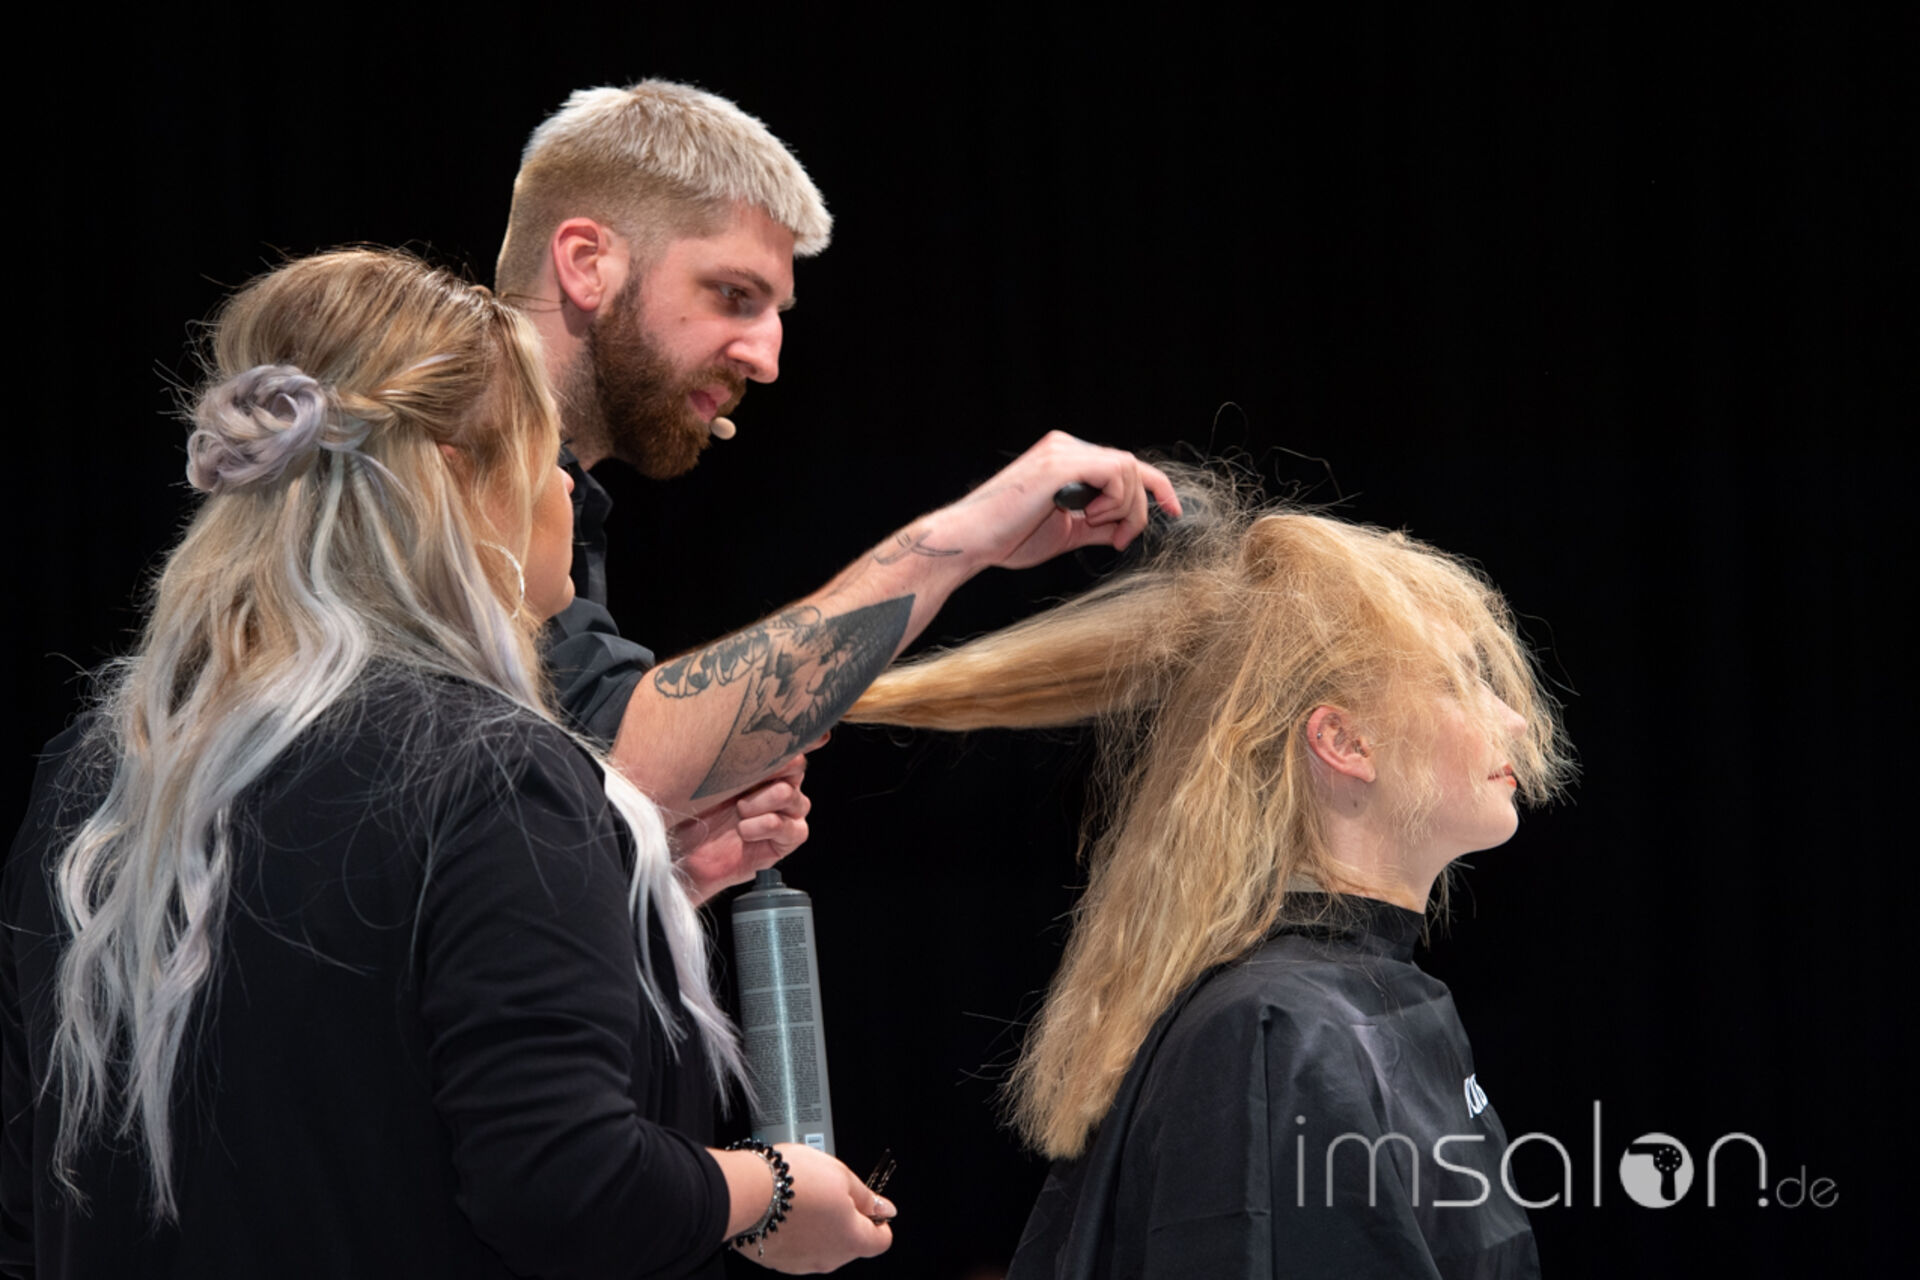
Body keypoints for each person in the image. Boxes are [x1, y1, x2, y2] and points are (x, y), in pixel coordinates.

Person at [0, 249, 893, 1278]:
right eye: (549, 457)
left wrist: (612, 896)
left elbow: (45, 1199)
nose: (570, 493)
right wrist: (770, 1191)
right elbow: (567, 1183)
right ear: (461, 478)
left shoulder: (96, 772)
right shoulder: (491, 770)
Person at [845, 476, 1573, 1278]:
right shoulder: (1277, 1031)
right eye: (1463, 681)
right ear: (1344, 742)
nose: (1513, 719)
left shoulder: (1365, 1006)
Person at [494, 81, 1183, 900]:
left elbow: (569, 782)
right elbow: (631, 752)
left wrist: (662, 877)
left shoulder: (550, 497)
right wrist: (965, 538)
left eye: (775, 312)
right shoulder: (434, 455)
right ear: (586, 262)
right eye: (733, 295)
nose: (766, 360)